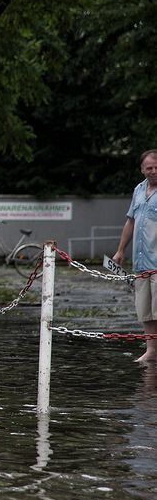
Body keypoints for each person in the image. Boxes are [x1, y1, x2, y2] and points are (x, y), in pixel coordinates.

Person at [113, 149, 157, 362]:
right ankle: (152, 349)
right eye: (149, 168)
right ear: (142, 169)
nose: (154, 171)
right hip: (140, 263)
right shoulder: (138, 190)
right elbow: (130, 221)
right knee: (145, 309)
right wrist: (121, 250)